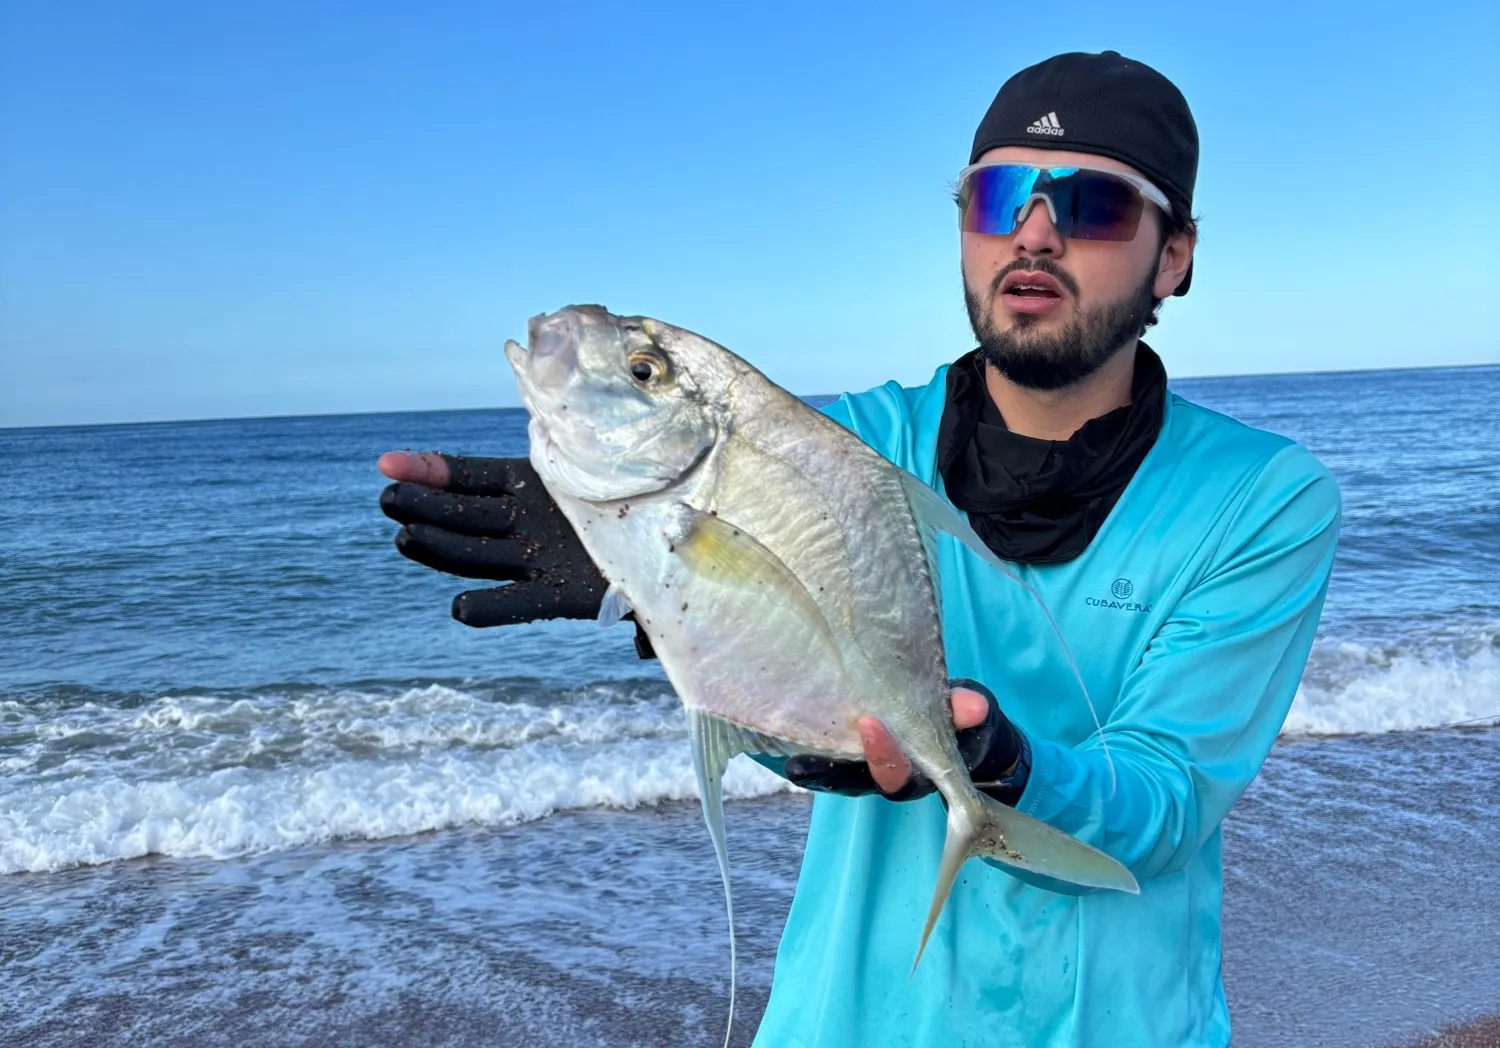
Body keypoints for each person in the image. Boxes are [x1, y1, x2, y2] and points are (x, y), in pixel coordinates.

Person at [377, 51, 1340, 1048]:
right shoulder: (847, 446)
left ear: (1173, 256)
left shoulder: (1261, 497)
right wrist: (646, 570)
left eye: (1091, 205)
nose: (1034, 232)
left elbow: (1166, 799)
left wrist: (995, 766)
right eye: (999, 195)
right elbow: (790, 702)